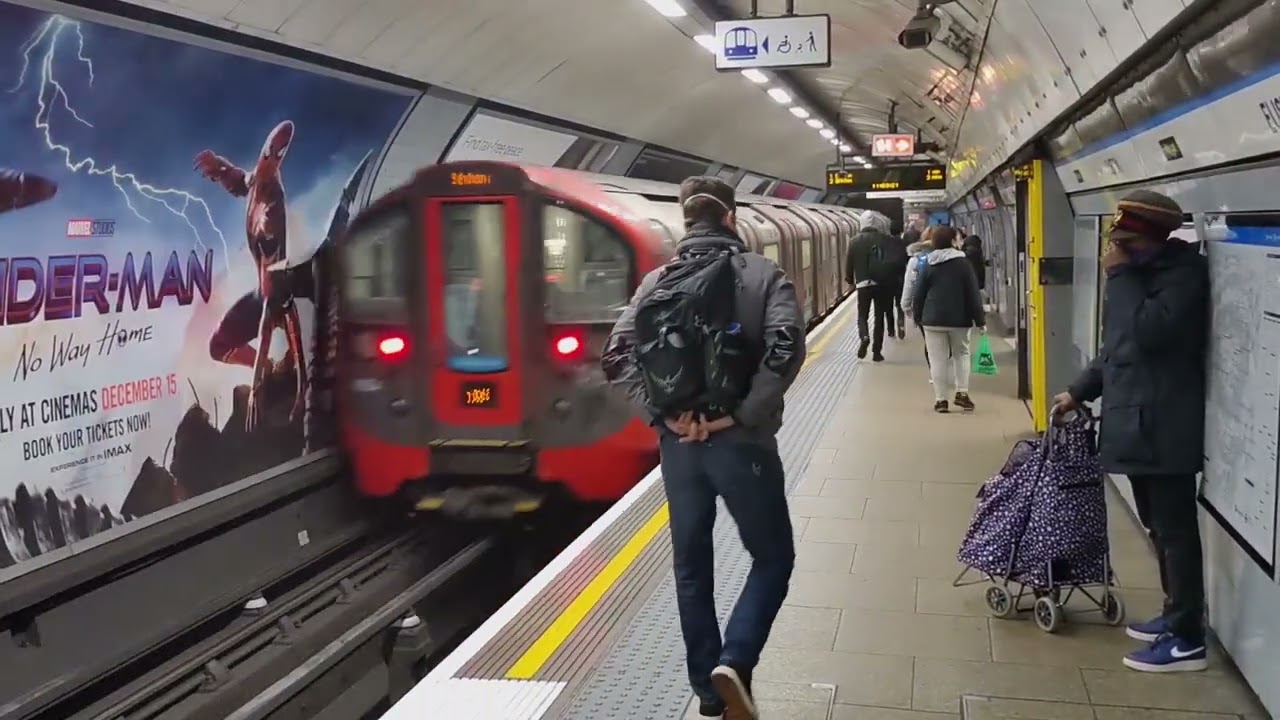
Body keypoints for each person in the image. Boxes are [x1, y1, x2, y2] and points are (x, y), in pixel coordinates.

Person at [601, 176, 804, 719]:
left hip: (679, 450)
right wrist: (738, 416)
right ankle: (734, 661)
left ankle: (708, 692)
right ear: (733, 219)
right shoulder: (764, 275)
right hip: (744, 446)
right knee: (773, 556)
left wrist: (663, 415)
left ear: (687, 224)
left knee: (691, 566)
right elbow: (786, 347)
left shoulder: (655, 282)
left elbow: (616, 356)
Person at [1051, 190, 1209, 673]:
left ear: (1151, 240)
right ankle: (1174, 614)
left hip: (1162, 426)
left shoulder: (1181, 278)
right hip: (1139, 424)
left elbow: (1145, 334)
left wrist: (1119, 277)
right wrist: (1079, 391)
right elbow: (1116, 349)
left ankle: (1187, 640)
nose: (1116, 250)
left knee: (1175, 532)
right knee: (1159, 527)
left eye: (1125, 242)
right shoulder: (1144, 276)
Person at [911, 226, 984, 412]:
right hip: (960, 319)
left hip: (932, 320)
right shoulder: (963, 264)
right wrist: (980, 320)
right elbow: (972, 294)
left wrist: (918, 317)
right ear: (952, 241)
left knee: (937, 360)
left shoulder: (927, 263)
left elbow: (918, 293)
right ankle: (962, 393)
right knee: (961, 355)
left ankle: (940, 400)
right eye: (958, 238)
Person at [845, 210, 902, 361]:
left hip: (863, 284)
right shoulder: (885, 239)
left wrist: (850, 280)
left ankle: (864, 337)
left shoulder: (854, 241)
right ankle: (877, 352)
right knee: (879, 317)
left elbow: (849, 264)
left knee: (862, 315)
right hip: (881, 283)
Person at [901, 226, 937, 377]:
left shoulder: (916, 260)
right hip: (952, 308)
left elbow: (910, 284)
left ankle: (935, 373)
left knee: (931, 342)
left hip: (923, 308)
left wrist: (906, 305)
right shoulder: (956, 258)